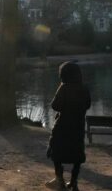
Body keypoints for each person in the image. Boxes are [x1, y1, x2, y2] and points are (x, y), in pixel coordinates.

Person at [45, 61, 91, 191]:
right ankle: (74, 182)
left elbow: (55, 106)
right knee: (77, 155)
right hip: (78, 127)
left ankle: (59, 181)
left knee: (56, 153)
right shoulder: (84, 88)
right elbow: (88, 105)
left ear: (63, 74)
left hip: (63, 127)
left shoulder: (64, 88)